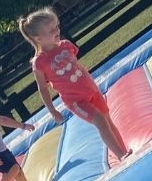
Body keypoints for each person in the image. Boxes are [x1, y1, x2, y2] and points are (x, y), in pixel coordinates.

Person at [19, 9, 130, 161]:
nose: (57, 30)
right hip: (76, 101)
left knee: (108, 121)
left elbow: (75, 66)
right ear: (38, 38)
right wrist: (52, 111)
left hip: (92, 91)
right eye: (51, 30)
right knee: (100, 121)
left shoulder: (66, 45)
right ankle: (121, 155)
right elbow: (43, 88)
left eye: (56, 26)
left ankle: (124, 151)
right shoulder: (39, 62)